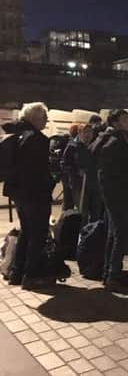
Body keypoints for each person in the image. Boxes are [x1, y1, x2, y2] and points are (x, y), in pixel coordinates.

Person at [3, 102, 55, 290]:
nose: (46, 121)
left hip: (18, 193)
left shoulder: (16, 134)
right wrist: (52, 180)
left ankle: (17, 273)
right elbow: (38, 172)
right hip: (35, 194)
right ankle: (31, 276)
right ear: (34, 118)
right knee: (38, 234)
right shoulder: (37, 139)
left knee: (26, 232)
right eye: (44, 117)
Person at [92, 109, 128, 291]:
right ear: (115, 123)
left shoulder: (115, 138)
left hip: (115, 194)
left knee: (114, 233)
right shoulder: (114, 142)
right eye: (124, 119)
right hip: (117, 194)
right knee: (121, 234)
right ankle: (114, 274)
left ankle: (109, 272)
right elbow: (113, 172)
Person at [61, 124, 102, 224]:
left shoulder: (95, 145)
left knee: (96, 210)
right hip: (79, 185)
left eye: (90, 132)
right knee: (82, 211)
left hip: (94, 183)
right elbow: (64, 164)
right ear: (79, 133)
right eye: (85, 132)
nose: (88, 135)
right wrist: (76, 171)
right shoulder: (72, 146)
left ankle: (94, 233)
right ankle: (81, 233)